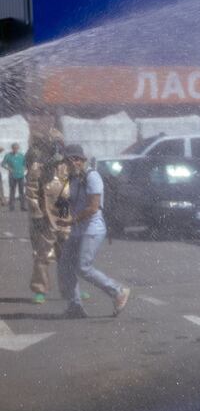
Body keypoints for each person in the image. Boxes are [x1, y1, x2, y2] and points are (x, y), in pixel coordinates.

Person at [57, 144, 130, 319]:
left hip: (92, 229)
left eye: (67, 161)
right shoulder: (72, 178)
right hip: (76, 229)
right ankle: (75, 306)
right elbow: (67, 202)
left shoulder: (92, 177)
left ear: (78, 160)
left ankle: (118, 291)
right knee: (65, 266)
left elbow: (93, 207)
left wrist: (71, 220)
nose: (65, 165)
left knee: (83, 267)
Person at [25, 130, 72, 304]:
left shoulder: (67, 166)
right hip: (46, 217)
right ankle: (40, 290)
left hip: (65, 216)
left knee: (68, 255)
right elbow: (31, 192)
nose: (56, 147)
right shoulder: (38, 167)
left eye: (59, 142)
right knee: (42, 255)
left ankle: (71, 289)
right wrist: (36, 214)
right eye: (53, 143)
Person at [2, 141, 27, 211]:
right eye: (14, 148)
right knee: (12, 191)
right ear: (12, 148)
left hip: (21, 176)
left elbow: (25, 164)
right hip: (12, 176)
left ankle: (23, 206)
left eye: (16, 148)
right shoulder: (8, 155)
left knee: (21, 191)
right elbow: (2, 164)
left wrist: (24, 169)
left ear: (18, 148)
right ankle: (11, 207)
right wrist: (9, 168)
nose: (15, 149)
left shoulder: (21, 155)